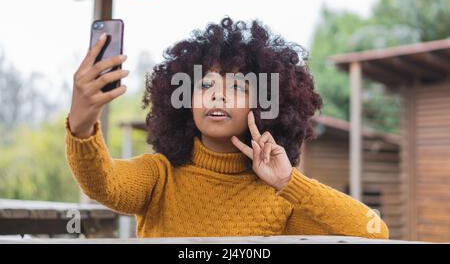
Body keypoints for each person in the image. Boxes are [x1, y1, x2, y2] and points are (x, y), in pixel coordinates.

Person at [65, 17, 389, 239]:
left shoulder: (282, 195)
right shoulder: (159, 176)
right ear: (185, 101)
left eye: (236, 86)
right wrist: (81, 124)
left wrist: (290, 182)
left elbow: (372, 230)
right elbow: (102, 183)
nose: (218, 94)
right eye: (205, 84)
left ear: (261, 103)